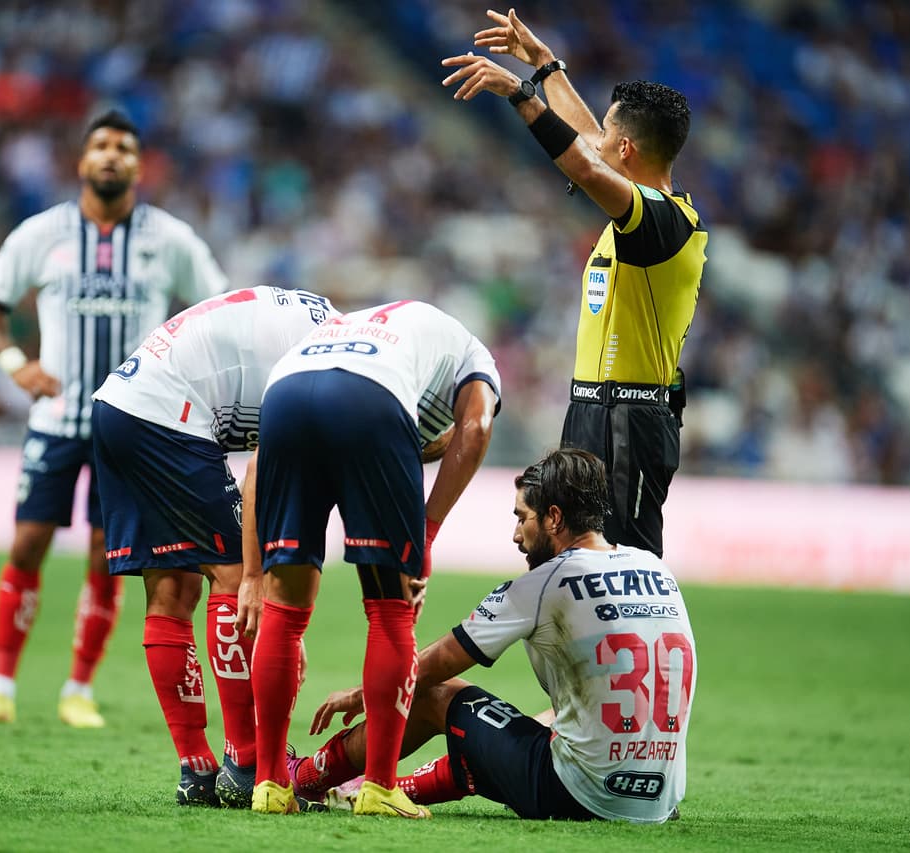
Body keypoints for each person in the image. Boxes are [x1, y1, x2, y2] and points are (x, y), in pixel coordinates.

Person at [0, 110, 228, 728]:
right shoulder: (43, 233)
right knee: (28, 542)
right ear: (82, 162)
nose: (111, 156)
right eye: (100, 146)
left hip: (132, 427)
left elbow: (215, 306)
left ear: (138, 164)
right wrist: (13, 361)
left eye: (124, 148)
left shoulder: (171, 238)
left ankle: (78, 689)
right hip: (56, 418)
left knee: (109, 553)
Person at [291, 447, 697, 823]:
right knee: (539, 724)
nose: (516, 535)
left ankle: (308, 776)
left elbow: (434, 666)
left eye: (523, 517)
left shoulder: (544, 582)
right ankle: (397, 788)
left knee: (436, 692)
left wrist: (359, 694)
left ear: (554, 518)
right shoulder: (656, 568)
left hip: (579, 795)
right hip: (658, 800)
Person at [441, 10, 708, 558]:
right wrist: (545, 64)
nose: (597, 142)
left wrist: (523, 95)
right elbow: (587, 144)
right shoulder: (635, 210)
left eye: (609, 136)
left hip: (632, 420)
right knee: (560, 557)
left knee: (623, 567)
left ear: (627, 150)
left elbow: (584, 166)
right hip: (589, 409)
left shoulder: (666, 222)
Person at [238, 299, 501, 817]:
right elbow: (474, 430)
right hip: (370, 400)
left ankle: (269, 785)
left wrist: (253, 572)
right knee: (390, 608)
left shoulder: (363, 327)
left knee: (285, 612)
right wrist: (422, 533)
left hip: (284, 395)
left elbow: (257, 465)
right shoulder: (474, 355)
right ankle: (380, 787)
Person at [89, 286, 337, 807]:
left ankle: (196, 769)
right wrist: (268, 590)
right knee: (230, 577)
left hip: (121, 405)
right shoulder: (325, 365)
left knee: (172, 589)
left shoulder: (320, 329)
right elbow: (260, 475)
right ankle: (246, 762)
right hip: (169, 415)